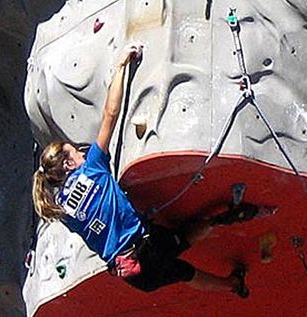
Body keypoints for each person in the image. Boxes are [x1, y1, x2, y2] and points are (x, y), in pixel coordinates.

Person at [32, 43, 276, 298]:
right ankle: (222, 221)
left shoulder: (60, 209)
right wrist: (120, 66)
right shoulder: (91, 167)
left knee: (183, 271)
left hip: (131, 273)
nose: (82, 153)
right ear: (68, 165)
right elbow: (110, 114)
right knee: (180, 248)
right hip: (146, 251)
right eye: (75, 153)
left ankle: (232, 284)